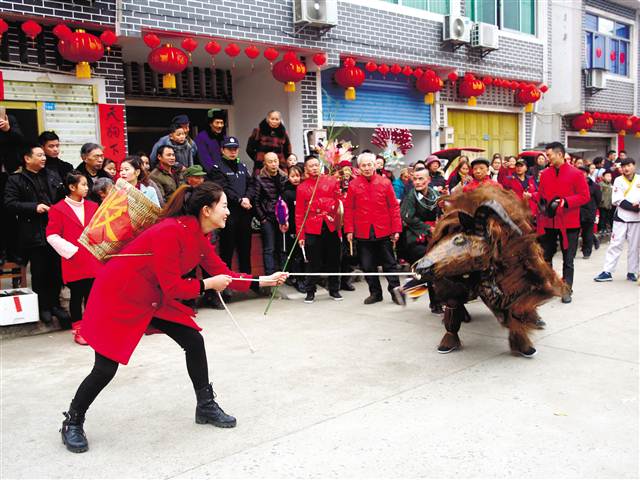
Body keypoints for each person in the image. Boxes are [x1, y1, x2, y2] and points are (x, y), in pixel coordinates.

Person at [59, 182, 287, 453]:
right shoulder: (170, 232)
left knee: (193, 341)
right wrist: (208, 285)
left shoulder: (197, 236)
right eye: (224, 206)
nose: (228, 211)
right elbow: (175, 288)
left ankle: (205, 406)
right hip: (120, 295)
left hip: (152, 294)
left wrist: (265, 280)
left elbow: (224, 274)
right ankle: (72, 421)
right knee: (105, 367)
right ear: (206, 210)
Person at [4, 143, 68, 325]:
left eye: (43, 155)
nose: (44, 158)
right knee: (40, 272)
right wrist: (34, 207)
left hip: (54, 231)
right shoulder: (16, 180)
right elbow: (9, 203)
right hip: (33, 233)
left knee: (56, 270)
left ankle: (56, 305)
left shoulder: (51, 175)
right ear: (27, 158)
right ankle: (43, 307)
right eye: (39, 155)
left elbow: (62, 197)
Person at [46, 171, 101, 345]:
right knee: (76, 296)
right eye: (83, 184)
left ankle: (92, 328)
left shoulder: (93, 206)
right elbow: (52, 235)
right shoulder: (58, 209)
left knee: (92, 295)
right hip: (74, 259)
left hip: (93, 258)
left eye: (87, 184)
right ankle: (78, 329)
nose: (87, 188)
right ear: (72, 187)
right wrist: (72, 250)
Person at [344, 152, 403, 305]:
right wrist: (349, 230)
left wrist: (396, 229)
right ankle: (375, 293)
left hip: (384, 229)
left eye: (369, 164)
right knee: (368, 265)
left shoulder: (385, 183)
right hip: (363, 231)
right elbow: (349, 209)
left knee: (389, 263)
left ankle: (396, 292)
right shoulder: (353, 185)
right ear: (359, 167)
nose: (367, 168)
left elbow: (394, 207)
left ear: (375, 165)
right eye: (363, 165)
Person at [536, 142, 590, 303]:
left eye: (550, 155)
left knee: (568, 258)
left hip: (569, 222)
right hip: (550, 221)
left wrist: (566, 201)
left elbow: (584, 196)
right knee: (547, 255)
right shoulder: (545, 173)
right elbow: (542, 195)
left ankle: (566, 289)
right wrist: (537, 200)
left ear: (560, 154)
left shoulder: (576, 174)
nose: (547, 157)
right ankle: (551, 286)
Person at [296, 155, 342, 303]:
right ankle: (310, 291)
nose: (314, 168)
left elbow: (338, 203)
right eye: (311, 166)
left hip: (330, 225)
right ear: (306, 169)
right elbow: (299, 214)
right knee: (312, 262)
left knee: (333, 259)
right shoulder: (302, 187)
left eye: (316, 165)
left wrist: (339, 227)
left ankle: (334, 289)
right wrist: (300, 236)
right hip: (312, 227)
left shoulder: (331, 181)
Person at [208, 136, 254, 275]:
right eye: (229, 149)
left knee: (245, 249)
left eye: (235, 149)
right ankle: (226, 284)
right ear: (223, 150)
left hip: (245, 213)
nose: (232, 152)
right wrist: (240, 200)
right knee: (227, 249)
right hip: (228, 214)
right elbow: (224, 188)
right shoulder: (217, 167)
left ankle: (248, 281)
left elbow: (251, 184)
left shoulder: (242, 166)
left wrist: (247, 197)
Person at [399, 167, 443, 314]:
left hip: (433, 236)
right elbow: (407, 217)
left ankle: (433, 301)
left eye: (421, 179)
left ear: (428, 180)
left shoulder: (435, 194)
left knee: (434, 269)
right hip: (414, 238)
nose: (417, 182)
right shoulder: (411, 196)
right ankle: (407, 290)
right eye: (415, 179)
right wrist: (427, 228)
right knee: (429, 267)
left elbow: (441, 211)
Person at [594, 158, 640, 282]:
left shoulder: (639, 179)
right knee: (615, 244)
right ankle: (607, 271)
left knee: (635, 247)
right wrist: (633, 207)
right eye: (624, 166)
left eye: (629, 165)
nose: (626, 168)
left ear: (634, 166)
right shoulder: (618, 180)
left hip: (637, 219)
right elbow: (618, 199)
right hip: (621, 216)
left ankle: (632, 272)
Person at [254, 152, 288, 275]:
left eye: (275, 161)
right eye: (270, 161)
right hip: (268, 217)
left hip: (282, 216)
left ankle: (284, 274)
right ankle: (270, 275)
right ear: (265, 163)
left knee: (282, 246)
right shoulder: (260, 178)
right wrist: (262, 218)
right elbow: (256, 201)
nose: (273, 164)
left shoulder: (284, 176)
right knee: (269, 248)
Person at [282, 165, 306, 293]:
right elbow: (283, 211)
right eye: (293, 176)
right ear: (288, 177)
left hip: (306, 227)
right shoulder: (287, 192)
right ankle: (298, 279)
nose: (296, 179)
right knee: (295, 255)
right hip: (292, 228)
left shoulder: (305, 189)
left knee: (304, 255)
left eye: (298, 175)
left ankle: (306, 278)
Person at [578, 166, 602, 259]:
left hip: (589, 212)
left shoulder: (594, 186)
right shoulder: (574, 184)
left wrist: (593, 208)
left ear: (588, 174)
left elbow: (598, 199)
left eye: (583, 173)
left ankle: (587, 252)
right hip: (577, 211)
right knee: (575, 233)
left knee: (587, 232)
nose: (581, 175)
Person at [195, 109, 226, 173]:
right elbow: (205, 160)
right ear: (210, 124)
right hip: (211, 175)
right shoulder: (201, 138)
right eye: (217, 122)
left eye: (222, 123)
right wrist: (217, 172)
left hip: (225, 173)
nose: (220, 126)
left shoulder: (224, 138)